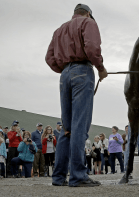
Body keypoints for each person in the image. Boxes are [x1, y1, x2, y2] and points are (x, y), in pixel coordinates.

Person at [47, 3, 107, 187]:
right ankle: (78, 176)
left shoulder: (59, 30)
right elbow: (91, 47)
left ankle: (58, 177)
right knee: (80, 126)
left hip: (64, 75)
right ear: (88, 14)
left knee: (67, 128)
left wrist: (66, 70)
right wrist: (101, 68)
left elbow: (49, 58)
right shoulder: (88, 23)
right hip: (83, 71)